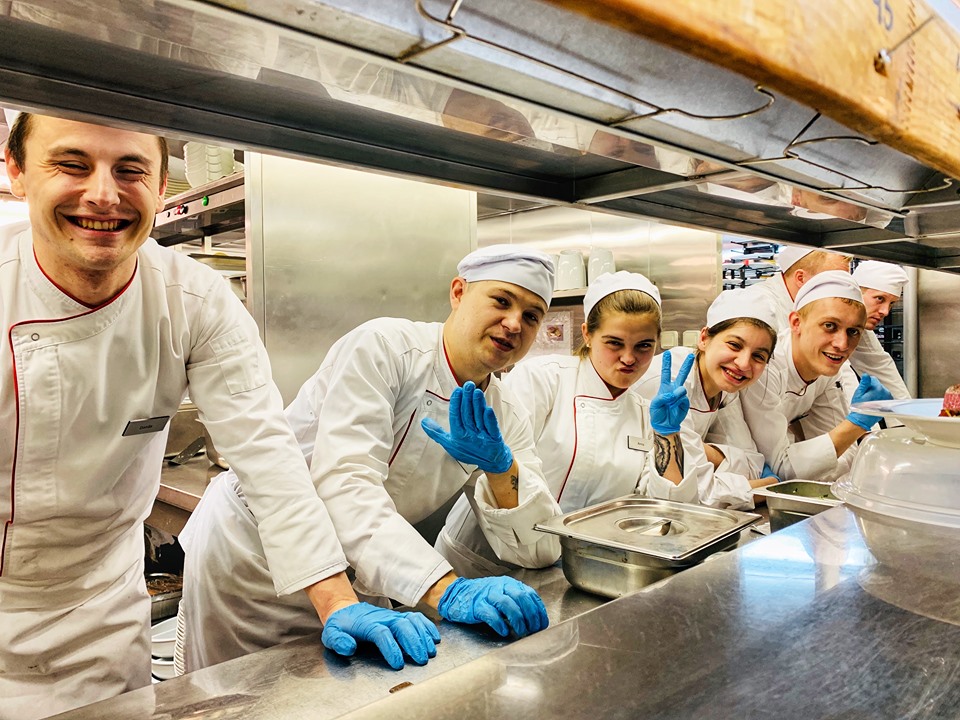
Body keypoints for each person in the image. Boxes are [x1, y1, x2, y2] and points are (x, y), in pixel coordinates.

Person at [0, 114, 432, 719]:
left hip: (97, 614)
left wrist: (336, 599)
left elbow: (267, 457)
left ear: (160, 185)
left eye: (131, 170)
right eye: (71, 165)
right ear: (16, 172)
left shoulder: (195, 301)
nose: (103, 194)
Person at [178, 244, 558, 671]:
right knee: (239, 693)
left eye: (532, 316)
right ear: (457, 292)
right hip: (256, 553)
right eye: (502, 301)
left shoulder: (505, 412)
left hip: (364, 566)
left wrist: (501, 468)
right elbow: (345, 482)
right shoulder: (384, 348)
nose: (513, 324)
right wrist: (445, 589)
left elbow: (541, 546)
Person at [436, 271, 698, 578]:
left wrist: (668, 435)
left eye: (643, 346)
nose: (628, 358)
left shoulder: (642, 413)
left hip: (576, 571)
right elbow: (494, 472)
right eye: (614, 343)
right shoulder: (543, 379)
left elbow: (660, 511)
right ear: (587, 334)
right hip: (481, 564)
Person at [739, 271, 894, 482]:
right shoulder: (765, 368)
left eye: (853, 332)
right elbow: (782, 468)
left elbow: (841, 454)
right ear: (796, 323)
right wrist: (856, 424)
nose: (842, 344)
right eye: (830, 326)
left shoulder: (829, 367)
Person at [636, 288, 780, 510]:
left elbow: (753, 463)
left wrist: (706, 452)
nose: (743, 364)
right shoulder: (672, 383)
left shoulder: (725, 389)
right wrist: (768, 487)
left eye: (758, 356)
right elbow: (695, 493)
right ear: (704, 338)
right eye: (734, 345)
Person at [845, 260, 910, 400]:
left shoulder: (860, 327)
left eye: (891, 303)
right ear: (855, 292)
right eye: (879, 299)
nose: (885, 311)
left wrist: (910, 419)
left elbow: (883, 370)